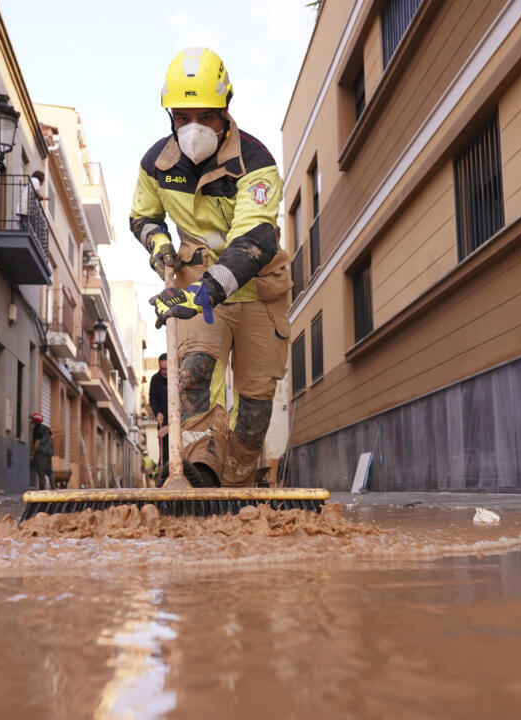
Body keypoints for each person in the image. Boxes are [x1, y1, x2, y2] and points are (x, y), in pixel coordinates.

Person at [131, 47, 291, 488]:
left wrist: (203, 291)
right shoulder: (156, 164)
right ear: (171, 118)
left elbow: (255, 239)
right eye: (182, 117)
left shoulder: (256, 163)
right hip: (195, 286)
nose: (193, 128)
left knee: (256, 405)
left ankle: (237, 483)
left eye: (206, 116)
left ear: (225, 113)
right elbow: (143, 217)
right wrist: (159, 244)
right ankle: (200, 474)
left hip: (257, 291)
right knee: (194, 375)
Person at [148, 353, 169, 483]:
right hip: (162, 421)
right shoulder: (155, 379)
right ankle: (164, 482)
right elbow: (153, 398)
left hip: (178, 423)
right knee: (164, 453)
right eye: (163, 369)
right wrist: (158, 413)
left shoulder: (179, 378)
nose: (165, 372)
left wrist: (170, 427)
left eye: (168, 369)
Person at [29, 412, 53, 491]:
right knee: (49, 471)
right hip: (48, 453)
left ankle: (42, 490)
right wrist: (51, 450)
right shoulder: (47, 428)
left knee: (41, 472)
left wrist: (32, 453)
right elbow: (52, 439)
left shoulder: (36, 430)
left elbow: (37, 443)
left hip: (41, 454)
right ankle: (53, 488)